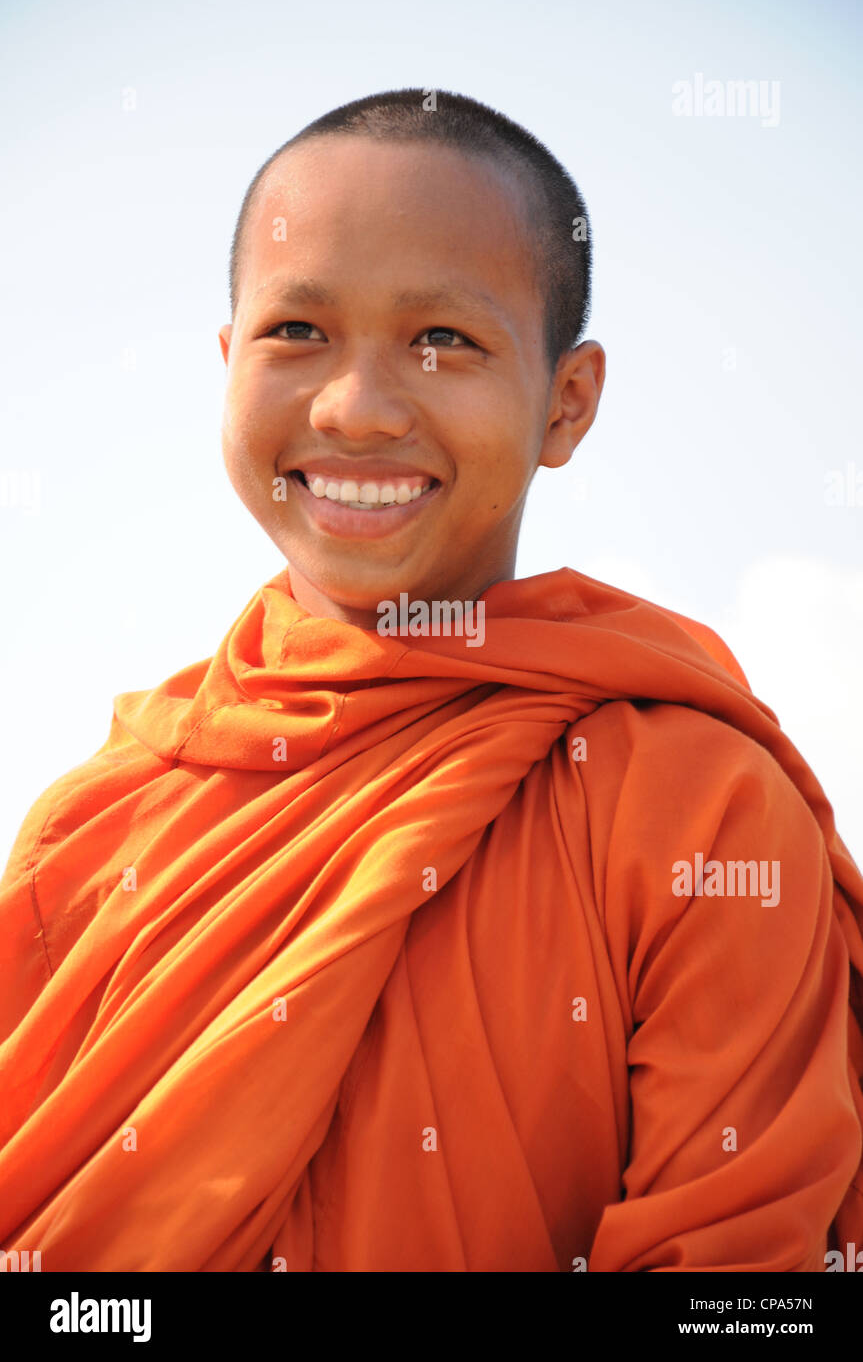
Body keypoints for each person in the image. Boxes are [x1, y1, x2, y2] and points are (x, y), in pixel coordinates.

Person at [1, 87, 861, 1273]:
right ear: (224, 362)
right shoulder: (91, 834)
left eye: (443, 341)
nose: (354, 409)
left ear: (565, 403)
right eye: (295, 333)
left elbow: (731, 1282)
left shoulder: (695, 807)